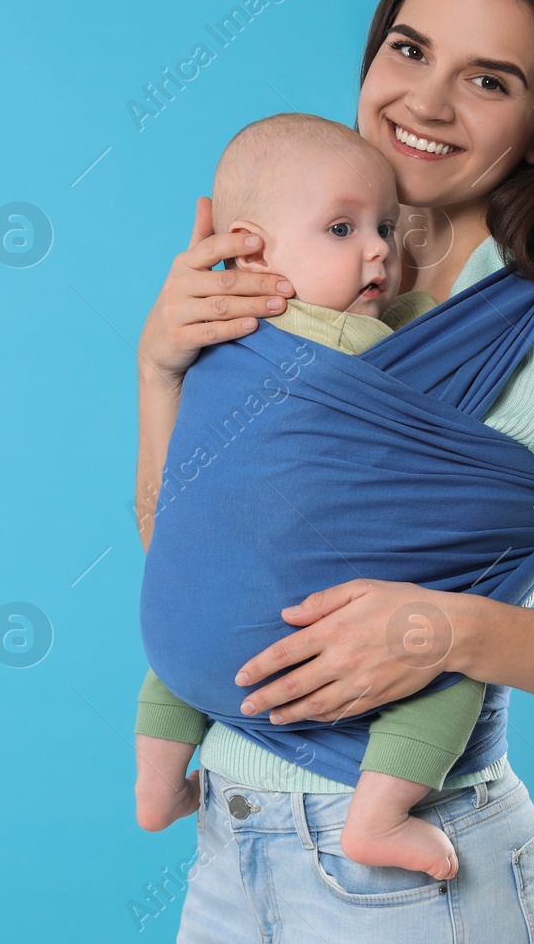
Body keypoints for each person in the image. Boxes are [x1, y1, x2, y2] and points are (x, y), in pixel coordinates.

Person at [132, 0, 534, 944]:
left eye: (488, 79)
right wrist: (160, 372)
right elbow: (193, 554)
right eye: (409, 50)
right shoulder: (274, 275)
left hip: (411, 884)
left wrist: (446, 630)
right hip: (229, 851)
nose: (425, 101)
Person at [137, 110, 506, 883]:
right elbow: (408, 350)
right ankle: (379, 818)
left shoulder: (210, 341)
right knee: (456, 657)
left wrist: (157, 371)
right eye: (342, 229)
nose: (377, 248)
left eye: (383, 226)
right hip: (288, 650)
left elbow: (172, 522)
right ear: (253, 250)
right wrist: (432, 311)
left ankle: (155, 783)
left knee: (190, 601)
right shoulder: (343, 343)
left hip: (177, 650)